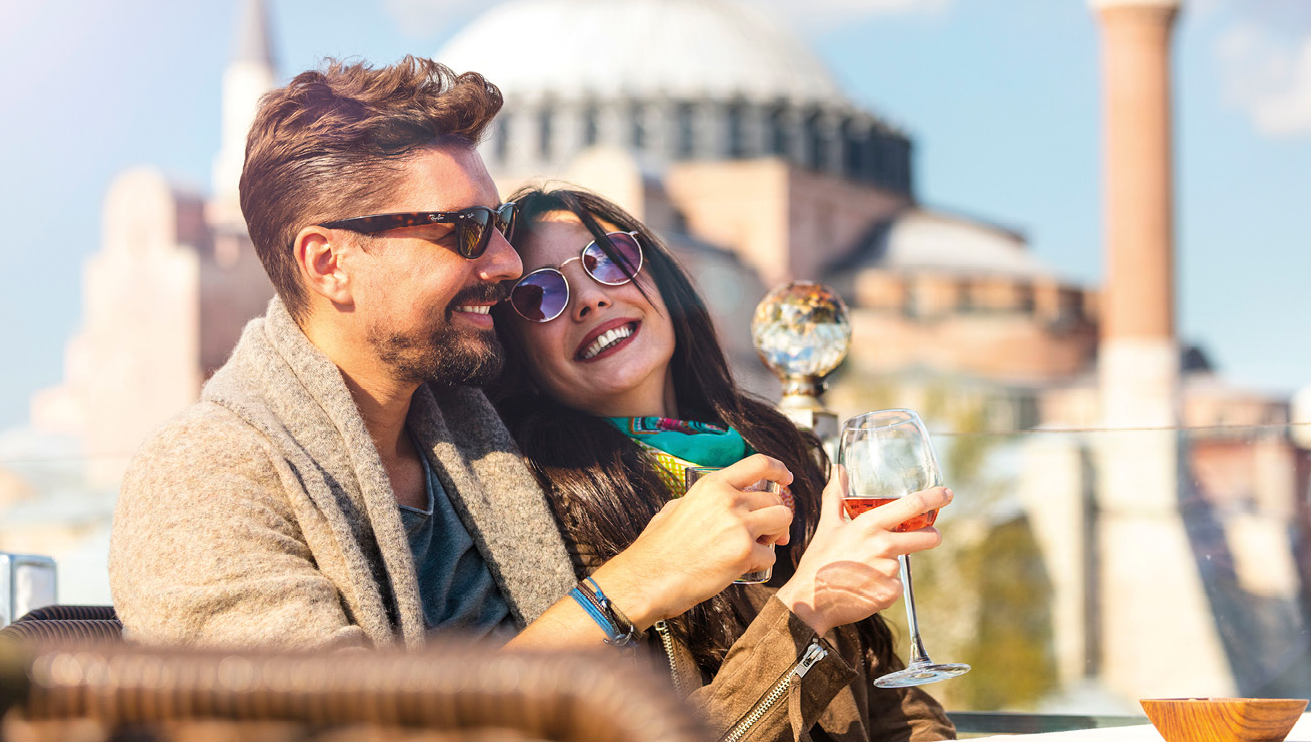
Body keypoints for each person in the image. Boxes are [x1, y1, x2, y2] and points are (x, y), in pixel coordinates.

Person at [109, 57, 808, 651]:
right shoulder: (201, 480)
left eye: (497, 223)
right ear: (328, 263)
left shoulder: (491, 439)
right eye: (464, 231)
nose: (507, 262)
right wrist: (626, 589)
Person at [490, 185, 958, 742]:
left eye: (610, 261)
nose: (591, 299)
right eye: (541, 295)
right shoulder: (543, 509)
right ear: (515, 346)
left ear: (660, 277)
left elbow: (886, 692)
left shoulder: (774, 446)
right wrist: (807, 609)